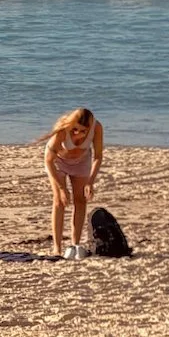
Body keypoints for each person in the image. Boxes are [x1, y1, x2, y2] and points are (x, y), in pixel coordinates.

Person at [42, 107, 104, 258]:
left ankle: (75, 244)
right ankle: (57, 247)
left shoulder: (97, 128)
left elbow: (98, 156)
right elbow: (48, 161)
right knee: (60, 201)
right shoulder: (62, 131)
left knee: (80, 200)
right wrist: (62, 188)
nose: (78, 134)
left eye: (83, 131)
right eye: (75, 129)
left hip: (81, 161)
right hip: (58, 162)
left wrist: (90, 181)